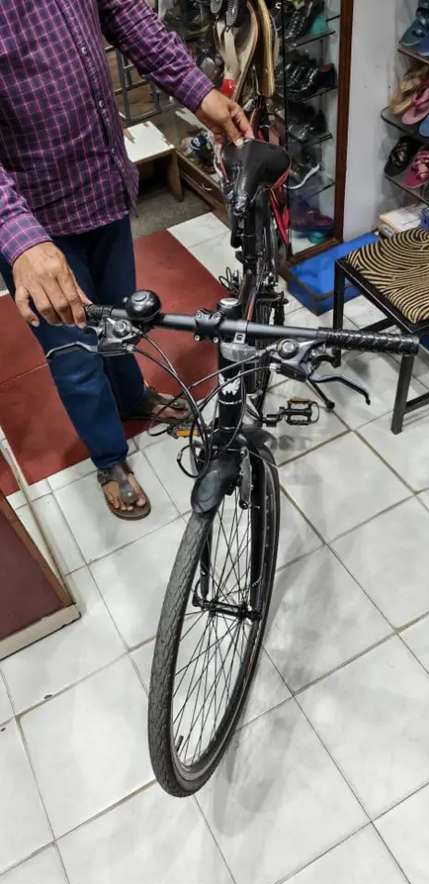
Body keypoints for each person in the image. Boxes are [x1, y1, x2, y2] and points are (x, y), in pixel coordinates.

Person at [0, 0, 252, 519]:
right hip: (37, 220)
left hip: (102, 183)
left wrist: (198, 90)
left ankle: (132, 396)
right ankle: (109, 458)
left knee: (123, 314)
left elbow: (127, 15)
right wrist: (19, 238)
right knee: (73, 353)